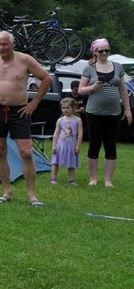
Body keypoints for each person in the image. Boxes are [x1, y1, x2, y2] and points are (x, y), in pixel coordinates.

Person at [0, 31, 52, 206]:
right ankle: (7, 191)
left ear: (13, 44)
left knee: (26, 152)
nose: (1, 47)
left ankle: (32, 195)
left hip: (19, 111)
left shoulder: (25, 60)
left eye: (4, 44)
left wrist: (35, 102)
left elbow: (46, 79)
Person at [78, 38, 133, 187]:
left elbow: (123, 89)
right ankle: (93, 178)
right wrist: (92, 88)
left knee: (111, 145)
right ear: (95, 52)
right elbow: (80, 90)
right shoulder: (89, 68)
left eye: (106, 50)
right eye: (101, 51)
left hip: (114, 113)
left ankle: (108, 181)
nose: (104, 53)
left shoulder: (118, 66)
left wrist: (127, 110)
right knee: (94, 145)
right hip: (94, 113)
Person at [50, 98, 83, 185]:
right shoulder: (60, 120)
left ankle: (72, 180)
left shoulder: (78, 120)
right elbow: (56, 133)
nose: (65, 110)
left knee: (71, 164)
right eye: (63, 108)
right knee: (55, 162)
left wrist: (78, 146)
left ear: (73, 108)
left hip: (71, 146)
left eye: (68, 108)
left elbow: (80, 134)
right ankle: (53, 179)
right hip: (60, 146)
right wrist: (54, 145)